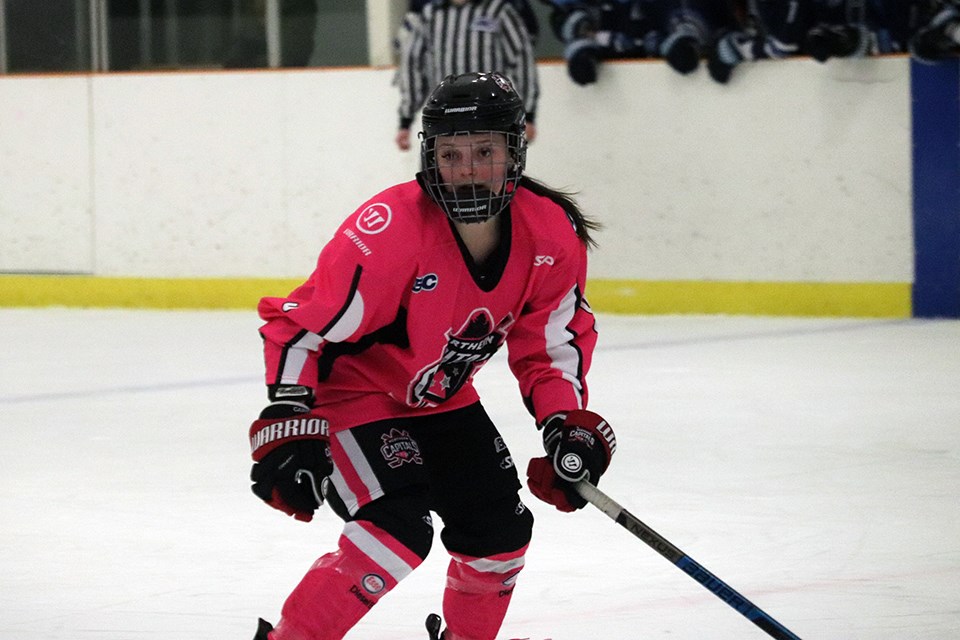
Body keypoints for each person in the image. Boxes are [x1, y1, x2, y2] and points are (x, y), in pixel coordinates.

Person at [248, 71, 616, 640]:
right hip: (354, 392)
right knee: (395, 531)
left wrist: (565, 424)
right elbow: (301, 328)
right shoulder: (392, 228)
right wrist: (291, 418)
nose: (467, 169)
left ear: (515, 152)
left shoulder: (550, 235)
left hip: (440, 397)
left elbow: (550, 347)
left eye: (485, 151)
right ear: (430, 158)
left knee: (500, 532)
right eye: (452, 154)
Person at [395, 0, 540, 151]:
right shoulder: (431, 14)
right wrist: (405, 121)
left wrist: (528, 115)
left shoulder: (498, 10)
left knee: (490, 168)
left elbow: (522, 60)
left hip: (489, 114)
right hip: (444, 117)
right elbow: (413, 64)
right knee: (440, 169)